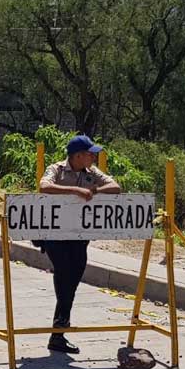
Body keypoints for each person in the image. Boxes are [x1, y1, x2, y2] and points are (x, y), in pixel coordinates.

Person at [38, 134, 121, 354]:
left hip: (79, 236)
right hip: (55, 234)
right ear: (77, 156)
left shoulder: (91, 172)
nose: (94, 157)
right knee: (64, 273)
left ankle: (58, 333)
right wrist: (75, 191)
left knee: (74, 276)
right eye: (90, 154)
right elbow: (44, 186)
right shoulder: (57, 169)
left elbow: (115, 187)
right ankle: (59, 330)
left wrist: (94, 191)